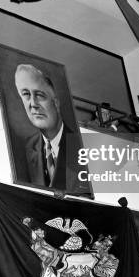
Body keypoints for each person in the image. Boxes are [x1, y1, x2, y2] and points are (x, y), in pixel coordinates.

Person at [14, 64, 89, 194]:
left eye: (39, 95)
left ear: (56, 103)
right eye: (26, 94)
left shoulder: (83, 147)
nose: (33, 104)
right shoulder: (27, 147)